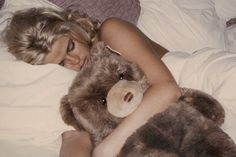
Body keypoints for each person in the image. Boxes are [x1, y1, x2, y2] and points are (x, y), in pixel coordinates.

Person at [3, 7, 181, 157]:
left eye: (71, 46)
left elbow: (167, 89)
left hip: (198, 77)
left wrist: (107, 148)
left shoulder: (111, 31)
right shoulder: (84, 83)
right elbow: (76, 137)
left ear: (72, 28)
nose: (75, 60)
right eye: (62, 62)